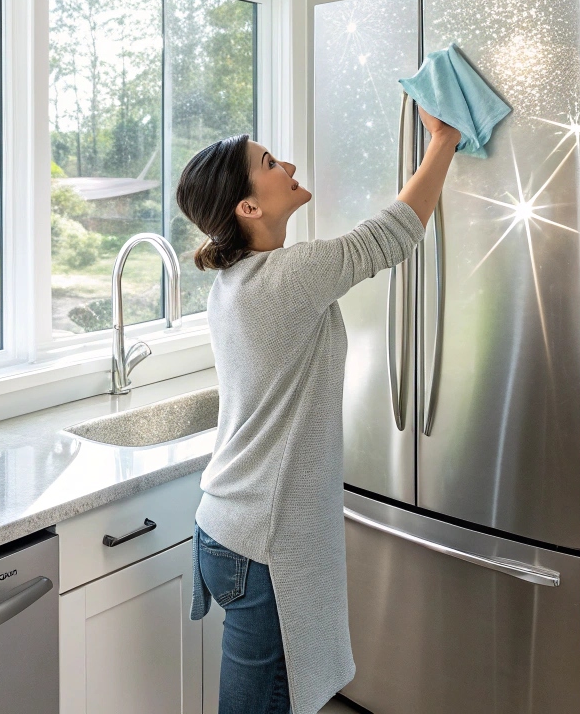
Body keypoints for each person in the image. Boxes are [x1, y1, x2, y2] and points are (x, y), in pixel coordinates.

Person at [175, 109, 461, 714]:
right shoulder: (285, 277)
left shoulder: (237, 281)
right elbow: (394, 233)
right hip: (262, 541)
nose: (289, 165)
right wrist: (444, 140)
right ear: (248, 207)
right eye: (270, 163)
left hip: (232, 528)